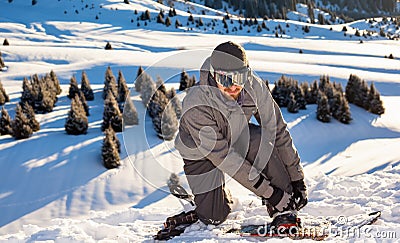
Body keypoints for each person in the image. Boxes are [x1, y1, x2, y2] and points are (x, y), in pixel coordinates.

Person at [174, 41, 308, 231]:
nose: (233, 87)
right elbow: (224, 158)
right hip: (200, 152)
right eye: (226, 80)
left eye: (240, 78)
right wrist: (270, 193)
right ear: (214, 75)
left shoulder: (254, 87)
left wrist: (297, 178)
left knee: (263, 140)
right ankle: (211, 203)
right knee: (214, 217)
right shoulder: (196, 103)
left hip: (237, 136)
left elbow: (277, 130)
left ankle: (284, 212)